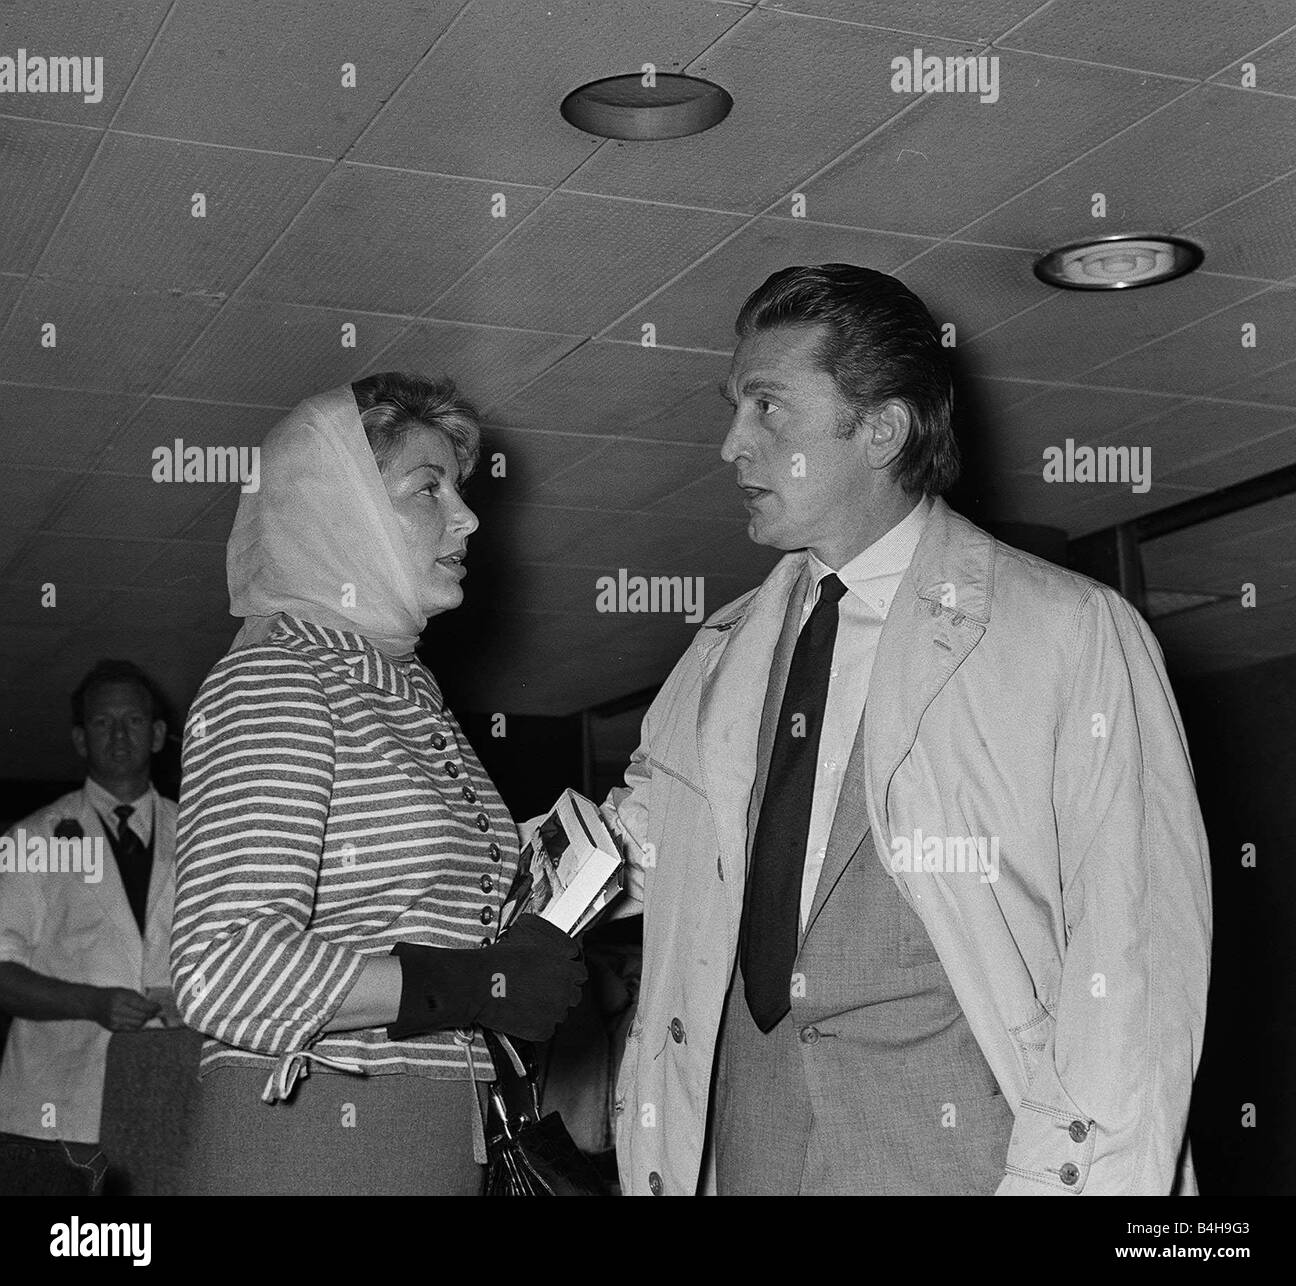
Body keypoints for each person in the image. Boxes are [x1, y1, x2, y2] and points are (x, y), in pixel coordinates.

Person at [601, 264, 1212, 1196]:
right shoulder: (717, 658)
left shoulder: (1066, 630)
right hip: (750, 1154)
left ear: (882, 429)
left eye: (767, 408)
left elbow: (1137, 958)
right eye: (733, 408)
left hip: (968, 1160)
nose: (731, 444)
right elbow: (639, 857)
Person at [170, 371, 586, 1196]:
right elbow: (221, 968)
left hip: (433, 1131)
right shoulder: (277, 679)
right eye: (426, 487)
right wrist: (484, 980)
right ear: (341, 510)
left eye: (459, 489)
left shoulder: (402, 690)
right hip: (319, 1140)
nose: (466, 516)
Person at [0, 660, 177, 1195]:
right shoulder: (32, 838)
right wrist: (91, 1003)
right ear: (81, 738)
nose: (120, 735)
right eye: (103, 723)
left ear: (158, 733)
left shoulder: (202, 833)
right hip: (55, 1109)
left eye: (133, 720)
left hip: (165, 1098)